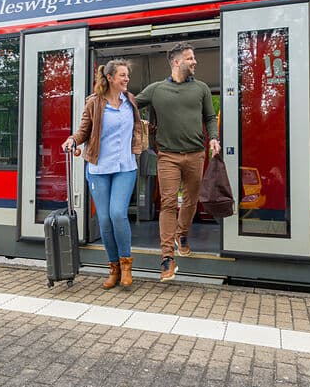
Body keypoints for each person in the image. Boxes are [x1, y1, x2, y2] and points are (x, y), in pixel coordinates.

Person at [135, 42, 220, 282]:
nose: (195, 62)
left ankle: (181, 234)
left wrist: (214, 138)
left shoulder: (201, 88)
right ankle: (166, 258)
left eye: (194, 58)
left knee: (191, 201)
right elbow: (129, 105)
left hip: (196, 154)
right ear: (176, 62)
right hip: (168, 156)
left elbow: (210, 117)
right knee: (169, 203)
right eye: (190, 58)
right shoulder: (156, 89)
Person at [62, 59, 143, 289]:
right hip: (99, 169)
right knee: (105, 219)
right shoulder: (94, 102)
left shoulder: (130, 101)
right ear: (110, 78)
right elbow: (83, 130)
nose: (126, 79)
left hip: (125, 167)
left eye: (127, 75)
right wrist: (72, 140)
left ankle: (126, 265)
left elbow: (138, 127)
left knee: (118, 214)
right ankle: (113, 268)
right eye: (122, 75)